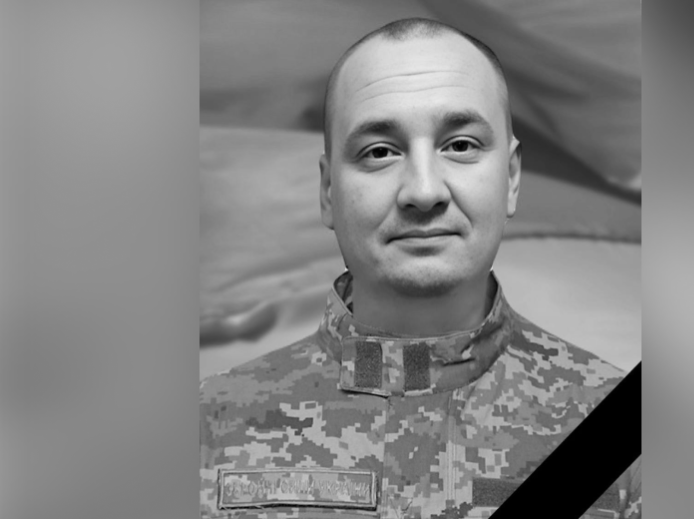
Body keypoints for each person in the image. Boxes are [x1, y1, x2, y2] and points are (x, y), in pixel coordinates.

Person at [200, 18, 640, 519]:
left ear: (512, 177)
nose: (424, 191)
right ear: (327, 190)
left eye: (461, 145)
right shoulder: (206, 427)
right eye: (380, 152)